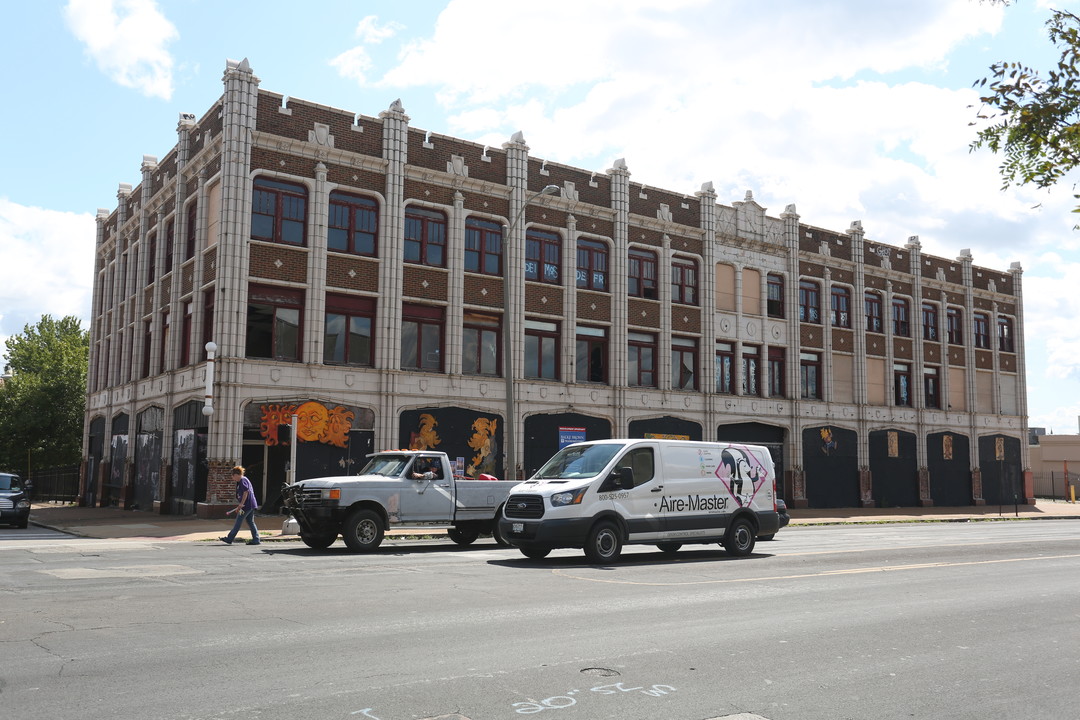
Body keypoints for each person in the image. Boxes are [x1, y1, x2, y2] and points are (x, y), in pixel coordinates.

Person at [220, 465, 260, 545]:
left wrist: (241, 504)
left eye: (233, 476)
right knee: (250, 521)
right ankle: (256, 539)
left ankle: (230, 538)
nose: (233, 479)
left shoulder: (242, 480)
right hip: (250, 504)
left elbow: (246, 492)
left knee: (239, 520)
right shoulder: (243, 480)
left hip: (246, 505)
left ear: (236, 475)